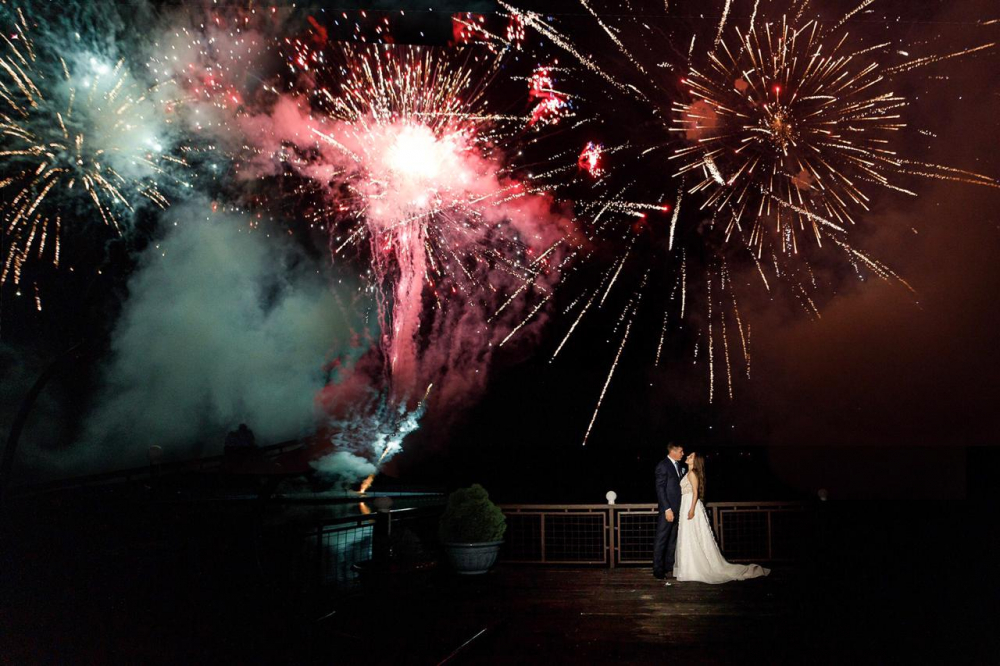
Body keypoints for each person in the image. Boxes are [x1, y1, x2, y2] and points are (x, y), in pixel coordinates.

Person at [674, 452, 770, 583]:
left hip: (691, 505)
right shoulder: (689, 472)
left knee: (692, 535)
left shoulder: (692, 473)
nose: (687, 457)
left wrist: (691, 510)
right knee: (690, 536)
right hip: (686, 504)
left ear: (695, 461)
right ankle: (690, 568)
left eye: (690, 456)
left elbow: (695, 492)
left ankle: (694, 568)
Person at [653, 442, 685, 579]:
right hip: (668, 510)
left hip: (678, 509)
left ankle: (669, 566)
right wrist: (667, 509)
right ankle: (657, 570)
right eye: (681, 451)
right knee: (661, 539)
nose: (683, 454)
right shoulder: (663, 465)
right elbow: (660, 489)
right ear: (673, 451)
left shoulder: (678, 466)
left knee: (672, 540)